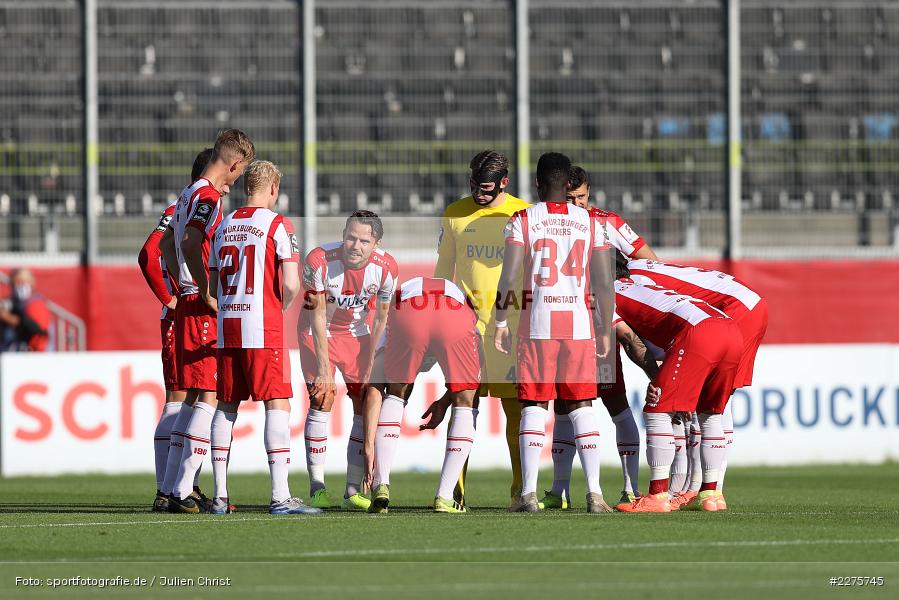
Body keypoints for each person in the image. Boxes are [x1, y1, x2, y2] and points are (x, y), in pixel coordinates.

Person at [495, 152, 615, 514]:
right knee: (582, 406)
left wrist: (500, 321)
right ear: (568, 185)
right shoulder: (592, 222)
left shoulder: (523, 220)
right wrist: (604, 328)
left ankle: (528, 495)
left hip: (538, 325)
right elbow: (604, 280)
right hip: (579, 326)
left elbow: (509, 276)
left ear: (536, 184)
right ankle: (595, 494)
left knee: (534, 404)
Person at [543, 166, 660, 509]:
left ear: (589, 194)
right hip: (564, 321)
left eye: (581, 196)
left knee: (614, 400)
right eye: (569, 197)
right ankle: (558, 491)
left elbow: (649, 261)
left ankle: (630, 487)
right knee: (564, 405)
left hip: (601, 322)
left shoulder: (608, 222)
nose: (576, 203)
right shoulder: (549, 222)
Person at [208, 160, 320, 515]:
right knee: (277, 404)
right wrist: (280, 307)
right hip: (262, 326)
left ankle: (220, 496)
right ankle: (280, 496)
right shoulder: (277, 224)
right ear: (273, 188)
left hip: (228, 327)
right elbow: (290, 283)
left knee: (226, 406)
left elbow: (212, 286)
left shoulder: (224, 225)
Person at [160, 128, 256, 513]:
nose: (236, 179)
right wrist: (203, 287)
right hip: (199, 306)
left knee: (193, 399)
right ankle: (183, 490)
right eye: (240, 171)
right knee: (210, 395)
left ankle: (170, 488)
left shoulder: (187, 193)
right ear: (234, 163)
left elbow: (168, 244)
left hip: (184, 303)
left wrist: (182, 282)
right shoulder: (208, 196)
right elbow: (185, 242)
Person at [625, 258, 769, 509]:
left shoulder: (630, 281)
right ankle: (709, 493)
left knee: (681, 405)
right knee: (713, 406)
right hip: (743, 306)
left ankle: (687, 490)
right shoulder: (646, 267)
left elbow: (637, 337)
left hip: (730, 311)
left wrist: (661, 380)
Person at [434, 150, 532, 508]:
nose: (479, 195)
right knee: (464, 406)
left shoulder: (523, 214)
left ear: (504, 182)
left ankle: (522, 492)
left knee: (517, 414)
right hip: (467, 330)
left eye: (487, 189)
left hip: (511, 330)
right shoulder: (454, 213)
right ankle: (453, 493)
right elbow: (443, 273)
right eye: (474, 186)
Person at [139, 148, 228, 512]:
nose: (225, 193)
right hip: (186, 312)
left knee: (183, 398)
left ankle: (176, 487)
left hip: (184, 309)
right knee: (183, 399)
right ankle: (172, 488)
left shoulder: (186, 203)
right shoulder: (189, 206)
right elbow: (149, 253)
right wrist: (173, 297)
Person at [299, 210, 397, 510]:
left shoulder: (387, 269)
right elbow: (314, 315)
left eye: (364, 241)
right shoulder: (318, 260)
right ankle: (317, 487)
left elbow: (381, 318)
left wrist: (369, 363)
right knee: (323, 398)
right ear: (343, 235)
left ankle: (352, 490)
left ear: (376, 243)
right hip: (317, 333)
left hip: (357, 336)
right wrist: (325, 368)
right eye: (350, 237)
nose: (355, 245)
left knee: (364, 400)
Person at [363, 277, 482, 514]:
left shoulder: (389, 322)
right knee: (467, 401)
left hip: (410, 312)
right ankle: (445, 497)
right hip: (455, 313)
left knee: (395, 393)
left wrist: (368, 446)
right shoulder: (470, 314)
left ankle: (381, 484)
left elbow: (374, 390)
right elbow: (474, 382)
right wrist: (449, 400)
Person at [0, 269, 49, 352]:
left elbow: (36, 329)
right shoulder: (11, 302)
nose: (21, 285)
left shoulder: (35, 303)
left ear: (32, 283)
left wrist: (8, 318)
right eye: (17, 282)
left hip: (31, 354)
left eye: (24, 281)